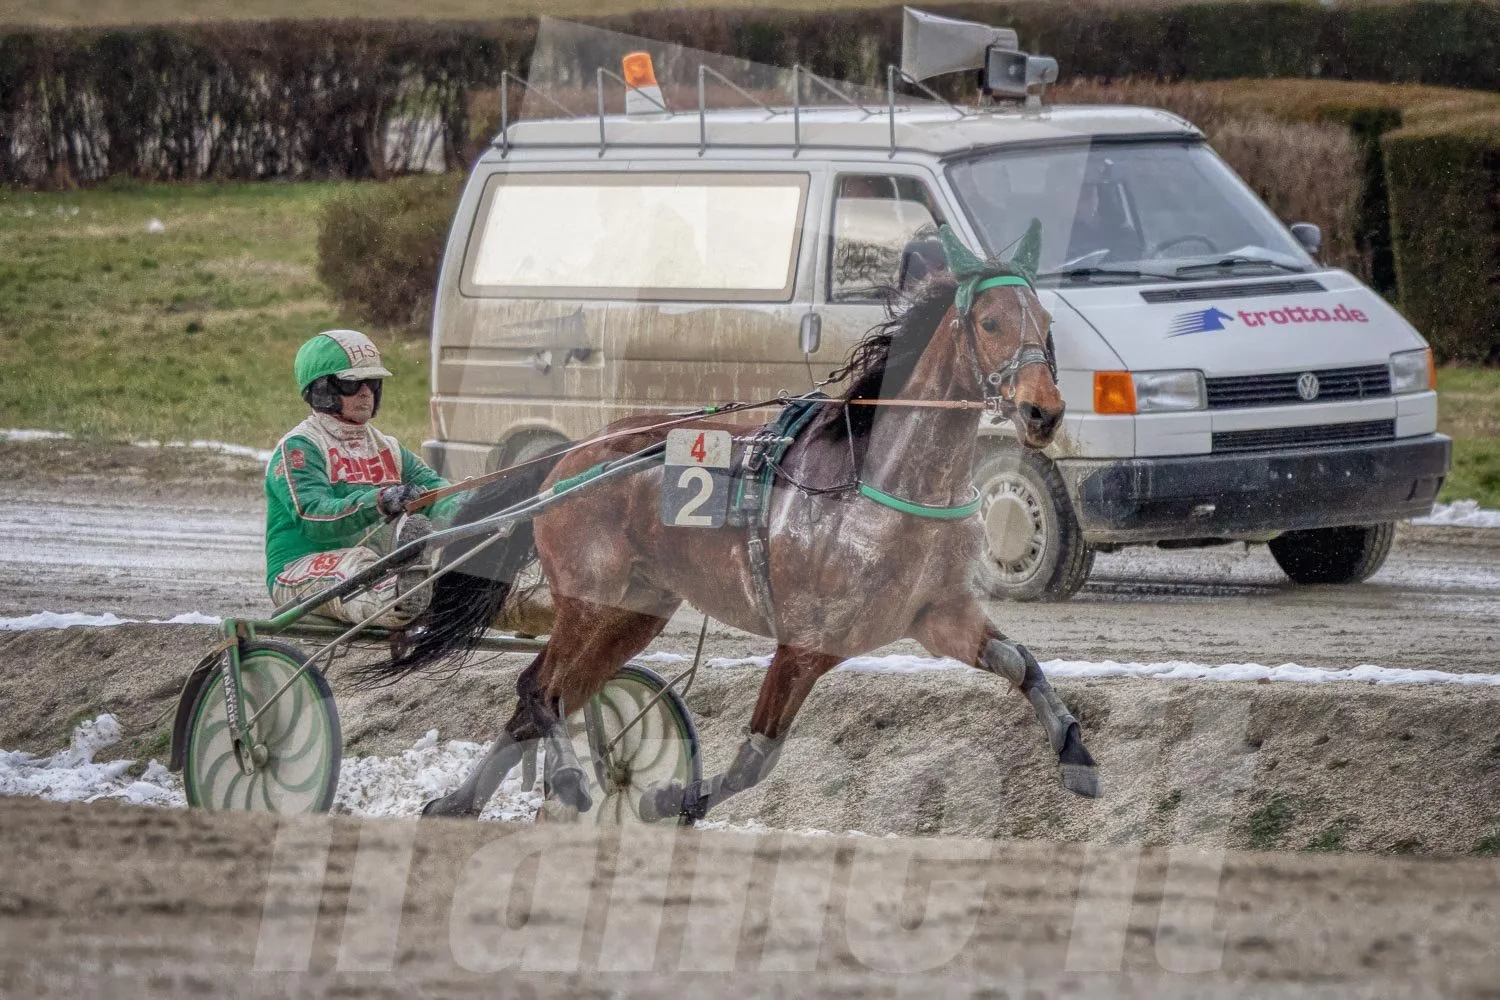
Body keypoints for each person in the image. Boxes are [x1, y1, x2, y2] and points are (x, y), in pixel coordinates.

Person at [264, 329, 459, 626]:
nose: (366, 392)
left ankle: (533, 608)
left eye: (372, 382)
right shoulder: (299, 448)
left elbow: (437, 493)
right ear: (321, 389)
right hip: (297, 571)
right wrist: (379, 501)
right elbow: (312, 516)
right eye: (352, 384)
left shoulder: (388, 447)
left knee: (461, 565)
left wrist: (479, 505)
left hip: (382, 566)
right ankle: (401, 597)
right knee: (355, 566)